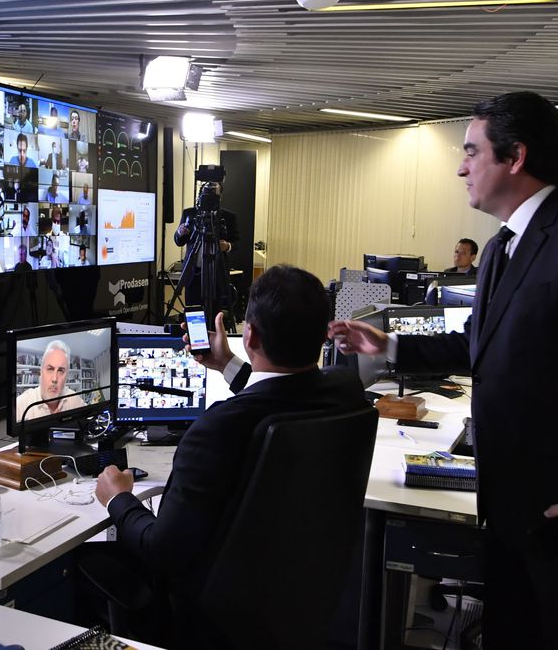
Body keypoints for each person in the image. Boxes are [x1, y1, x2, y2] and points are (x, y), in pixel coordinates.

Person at [329, 91, 558, 650]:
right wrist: (390, 346)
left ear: (515, 156)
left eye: (471, 151)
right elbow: (480, 344)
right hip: (512, 506)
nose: (461, 168)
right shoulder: (502, 247)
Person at [93, 265, 366, 646]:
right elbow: (283, 396)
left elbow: (161, 550)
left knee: (88, 562)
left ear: (249, 335)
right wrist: (227, 364)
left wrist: (118, 498)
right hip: (301, 603)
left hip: (210, 620)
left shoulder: (215, 428)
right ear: (323, 335)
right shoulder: (345, 390)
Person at [173, 181, 239, 307]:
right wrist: (179, 233)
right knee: (193, 312)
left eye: (214, 194)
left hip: (217, 276)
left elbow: (237, 243)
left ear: (220, 197)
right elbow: (179, 241)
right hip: (193, 275)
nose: (210, 197)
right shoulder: (189, 213)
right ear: (200, 195)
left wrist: (227, 246)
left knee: (215, 313)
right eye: (207, 193)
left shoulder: (228, 217)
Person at [15, 340, 87, 422]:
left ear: (66, 376)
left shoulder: (74, 400)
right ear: (41, 372)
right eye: (50, 369)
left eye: (60, 371)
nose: (54, 379)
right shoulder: (20, 405)